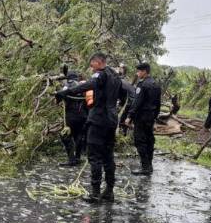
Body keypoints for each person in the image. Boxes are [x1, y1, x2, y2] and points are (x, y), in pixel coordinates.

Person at [56, 53, 127, 203]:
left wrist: (65, 92)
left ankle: (95, 193)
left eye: (92, 64)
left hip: (99, 120)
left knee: (94, 157)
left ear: (99, 62)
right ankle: (109, 191)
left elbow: (88, 85)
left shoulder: (100, 74)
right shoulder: (116, 76)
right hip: (111, 120)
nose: (91, 68)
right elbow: (124, 94)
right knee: (108, 156)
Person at [123, 62, 162, 175]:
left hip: (141, 117)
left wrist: (129, 116)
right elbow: (158, 104)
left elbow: (137, 102)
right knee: (149, 140)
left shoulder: (142, 84)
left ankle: (145, 167)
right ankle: (149, 165)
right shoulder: (156, 84)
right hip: (150, 117)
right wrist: (155, 117)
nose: (137, 73)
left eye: (139, 71)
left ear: (144, 71)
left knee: (140, 140)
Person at [56, 71, 88, 167]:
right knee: (79, 136)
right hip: (83, 115)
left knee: (65, 135)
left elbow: (60, 95)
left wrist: (57, 100)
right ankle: (77, 158)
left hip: (71, 116)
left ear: (68, 78)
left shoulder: (68, 85)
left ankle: (71, 159)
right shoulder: (83, 86)